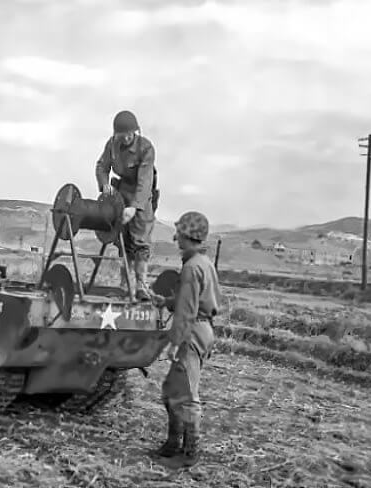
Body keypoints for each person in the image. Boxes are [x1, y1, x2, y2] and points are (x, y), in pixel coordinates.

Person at [150, 211, 221, 469]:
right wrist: (166, 301)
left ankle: (189, 452)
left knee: (186, 394)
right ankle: (172, 445)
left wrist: (173, 342)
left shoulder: (192, 267)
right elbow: (188, 303)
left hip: (192, 332)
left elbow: (188, 312)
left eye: (179, 232)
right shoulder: (202, 262)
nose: (175, 237)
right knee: (172, 388)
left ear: (187, 235)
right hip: (200, 329)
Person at [95, 110, 159, 301]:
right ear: (117, 134)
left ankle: (141, 286)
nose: (128, 137)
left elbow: (145, 182)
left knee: (140, 244)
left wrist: (134, 207)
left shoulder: (146, 148)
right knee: (123, 244)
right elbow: (101, 166)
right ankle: (125, 286)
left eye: (131, 133)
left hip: (142, 197)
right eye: (123, 134)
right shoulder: (112, 145)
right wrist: (104, 185)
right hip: (121, 194)